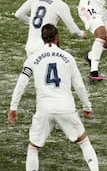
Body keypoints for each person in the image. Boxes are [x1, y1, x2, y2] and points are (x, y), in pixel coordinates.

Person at [7, 24, 99, 170]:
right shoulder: (68, 57)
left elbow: (21, 83)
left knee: (33, 147)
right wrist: (87, 106)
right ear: (57, 37)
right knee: (84, 142)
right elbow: (79, 85)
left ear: (42, 38)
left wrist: (13, 107)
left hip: (44, 109)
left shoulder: (33, 58)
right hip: (66, 108)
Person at [15, 0, 87, 57]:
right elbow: (73, 30)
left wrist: (31, 21)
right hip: (45, 49)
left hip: (30, 48)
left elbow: (18, 14)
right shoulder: (60, 5)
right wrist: (81, 33)